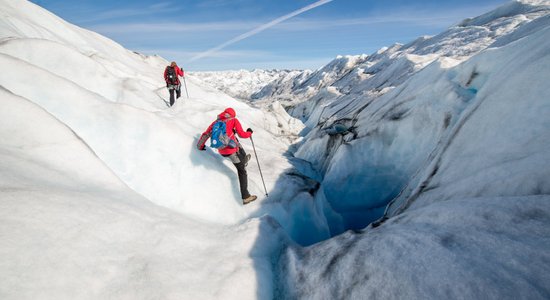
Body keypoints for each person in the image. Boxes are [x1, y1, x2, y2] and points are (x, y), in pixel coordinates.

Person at [197, 108, 257, 204]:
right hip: (232, 151)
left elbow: (206, 134)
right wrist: (249, 133)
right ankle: (246, 197)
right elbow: (242, 134)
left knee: (239, 146)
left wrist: (200, 146)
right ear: (232, 115)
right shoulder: (233, 120)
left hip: (222, 151)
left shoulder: (216, 122)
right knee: (242, 171)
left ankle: (244, 160)